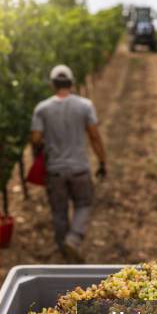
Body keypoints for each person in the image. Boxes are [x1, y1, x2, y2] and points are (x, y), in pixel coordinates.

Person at [31, 64, 107, 262]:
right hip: (79, 168)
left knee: (59, 212)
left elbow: (36, 138)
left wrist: (43, 150)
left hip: (55, 170)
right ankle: (73, 239)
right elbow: (94, 136)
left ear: (52, 85)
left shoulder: (42, 109)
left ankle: (63, 251)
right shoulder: (85, 106)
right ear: (72, 83)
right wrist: (102, 161)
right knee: (84, 203)